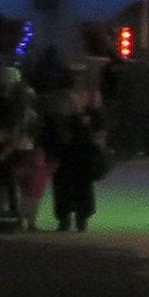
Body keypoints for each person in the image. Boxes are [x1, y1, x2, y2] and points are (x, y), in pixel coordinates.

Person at [48, 99, 109, 231]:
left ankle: (66, 221)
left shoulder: (61, 123)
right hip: (80, 164)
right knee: (81, 192)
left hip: (67, 163)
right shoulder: (83, 125)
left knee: (65, 192)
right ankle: (80, 220)